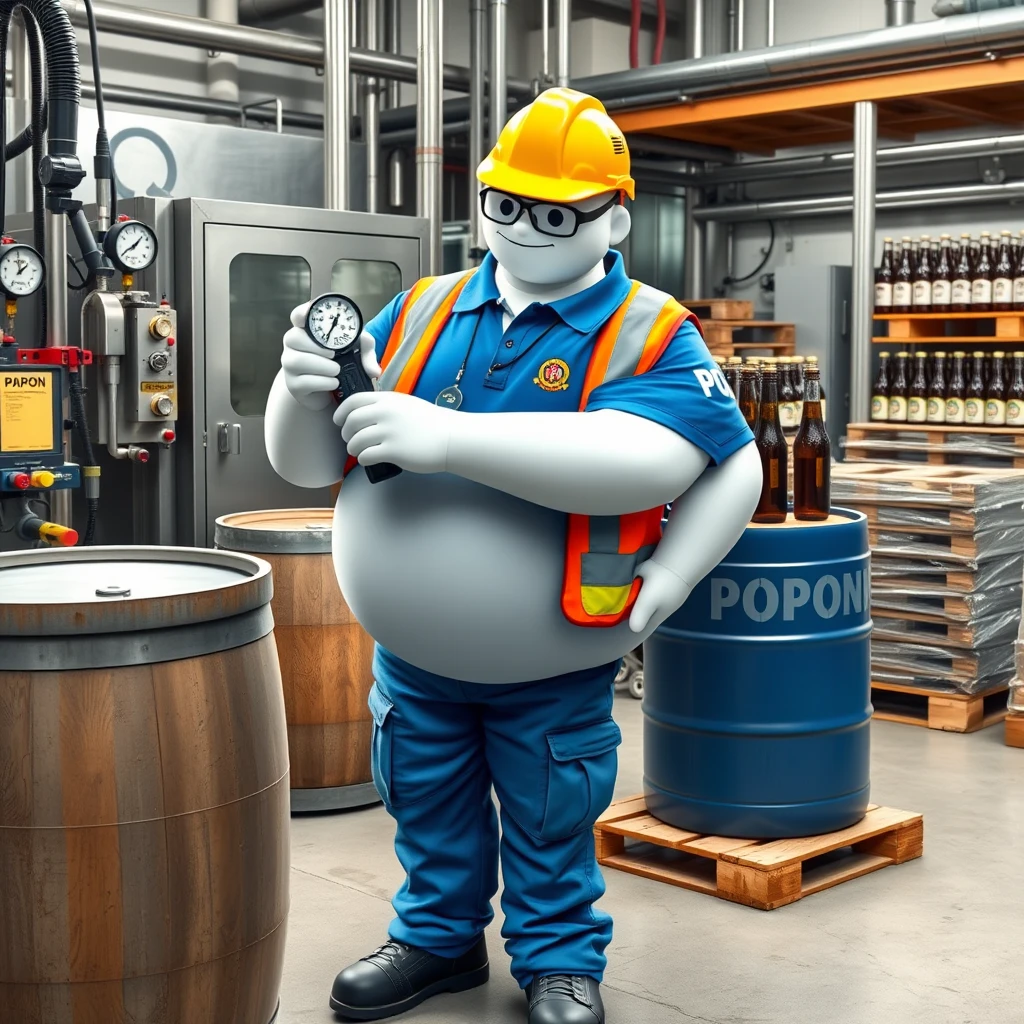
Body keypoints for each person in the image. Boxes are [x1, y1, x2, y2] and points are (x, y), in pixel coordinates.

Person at [266, 88, 761, 1024]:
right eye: (506, 206)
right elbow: (307, 461)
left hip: (553, 660)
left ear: (614, 216)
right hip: (414, 663)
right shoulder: (424, 307)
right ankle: (436, 938)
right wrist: (298, 390)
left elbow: (677, 460)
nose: (525, 230)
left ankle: (559, 959)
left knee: (549, 811)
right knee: (424, 797)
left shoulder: (649, 329)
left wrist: (675, 569)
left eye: (555, 214)